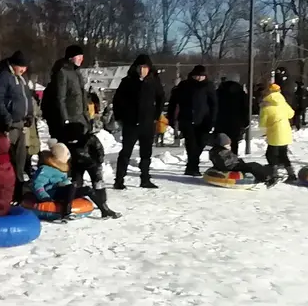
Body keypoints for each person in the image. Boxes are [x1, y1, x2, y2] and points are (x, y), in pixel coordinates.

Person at [30, 140, 120, 221]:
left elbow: (65, 181)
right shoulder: (46, 169)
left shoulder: (61, 168)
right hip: (52, 193)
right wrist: (44, 196)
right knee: (73, 186)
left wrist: (66, 183)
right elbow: (37, 184)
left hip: (64, 191)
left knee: (87, 189)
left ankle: (105, 210)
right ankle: (66, 212)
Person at [111, 54, 164, 189]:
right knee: (126, 152)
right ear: (135, 68)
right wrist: (119, 117)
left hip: (147, 123)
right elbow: (117, 101)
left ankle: (145, 179)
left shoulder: (154, 82)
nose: (142, 70)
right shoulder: (127, 81)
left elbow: (161, 99)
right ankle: (119, 180)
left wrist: (155, 116)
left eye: (145, 67)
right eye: (139, 67)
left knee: (146, 153)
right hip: (131, 123)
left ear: (149, 68)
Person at [54, 124, 121, 219]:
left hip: (92, 162)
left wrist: (99, 161)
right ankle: (78, 198)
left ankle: (102, 202)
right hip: (76, 164)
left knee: (98, 182)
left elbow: (99, 148)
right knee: (76, 182)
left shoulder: (89, 138)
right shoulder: (65, 139)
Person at [0, 51, 33, 200]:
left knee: (20, 160)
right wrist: (6, 118)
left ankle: (18, 193)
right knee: (7, 159)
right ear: (13, 65)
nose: (23, 70)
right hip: (8, 125)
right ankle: (4, 192)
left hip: (21, 125)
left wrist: (30, 115)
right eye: (20, 66)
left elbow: (27, 98)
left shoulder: (22, 79)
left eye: (25, 67)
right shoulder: (3, 76)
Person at [167, 65, 216, 176]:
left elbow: (214, 104)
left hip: (204, 120)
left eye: (202, 76)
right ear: (192, 75)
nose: (199, 78)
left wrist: (213, 119)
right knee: (191, 144)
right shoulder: (184, 86)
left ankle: (191, 166)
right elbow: (173, 102)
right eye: (197, 76)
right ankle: (193, 167)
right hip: (187, 119)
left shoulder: (208, 86)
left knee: (201, 143)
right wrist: (171, 118)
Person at [42, 44, 91, 146]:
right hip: (70, 119)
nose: (81, 59)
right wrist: (65, 120)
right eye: (79, 57)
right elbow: (60, 98)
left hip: (80, 118)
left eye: (82, 57)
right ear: (71, 57)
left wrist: (86, 116)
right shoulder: (62, 73)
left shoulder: (76, 72)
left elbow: (81, 96)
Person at [259, 83, 297, 183]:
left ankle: (274, 174)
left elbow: (263, 123)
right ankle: (291, 174)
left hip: (274, 133)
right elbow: (291, 114)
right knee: (283, 154)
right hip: (285, 131)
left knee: (270, 155)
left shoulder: (266, 105)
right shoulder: (283, 102)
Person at [209, 133, 277, 188]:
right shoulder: (222, 152)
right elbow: (227, 162)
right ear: (222, 145)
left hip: (231, 165)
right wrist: (238, 161)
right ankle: (267, 179)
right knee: (253, 166)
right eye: (227, 145)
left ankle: (269, 173)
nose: (229, 146)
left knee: (253, 165)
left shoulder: (215, 151)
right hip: (232, 166)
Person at [215, 78, 249, 154]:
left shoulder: (218, 93)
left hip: (221, 121)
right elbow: (245, 108)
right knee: (234, 141)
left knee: (220, 141)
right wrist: (245, 121)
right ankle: (233, 158)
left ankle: (220, 159)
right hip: (235, 121)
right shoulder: (240, 94)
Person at [24, 81, 42, 180]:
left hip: (30, 125)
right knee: (29, 145)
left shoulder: (27, 98)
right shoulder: (30, 99)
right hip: (29, 125)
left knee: (30, 145)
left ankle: (28, 165)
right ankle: (27, 166)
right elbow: (37, 112)